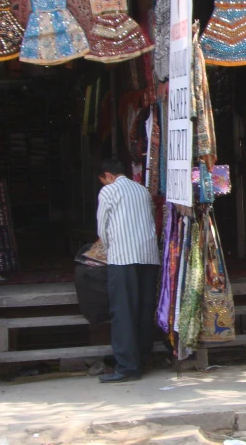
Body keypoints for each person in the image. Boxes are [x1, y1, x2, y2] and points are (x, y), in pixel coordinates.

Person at [96, 159, 160, 383]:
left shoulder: (108, 191)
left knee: (123, 312)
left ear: (107, 176)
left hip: (123, 258)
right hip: (149, 256)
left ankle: (127, 367)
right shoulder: (142, 190)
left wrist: (108, 250)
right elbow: (152, 218)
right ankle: (143, 359)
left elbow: (102, 228)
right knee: (144, 310)